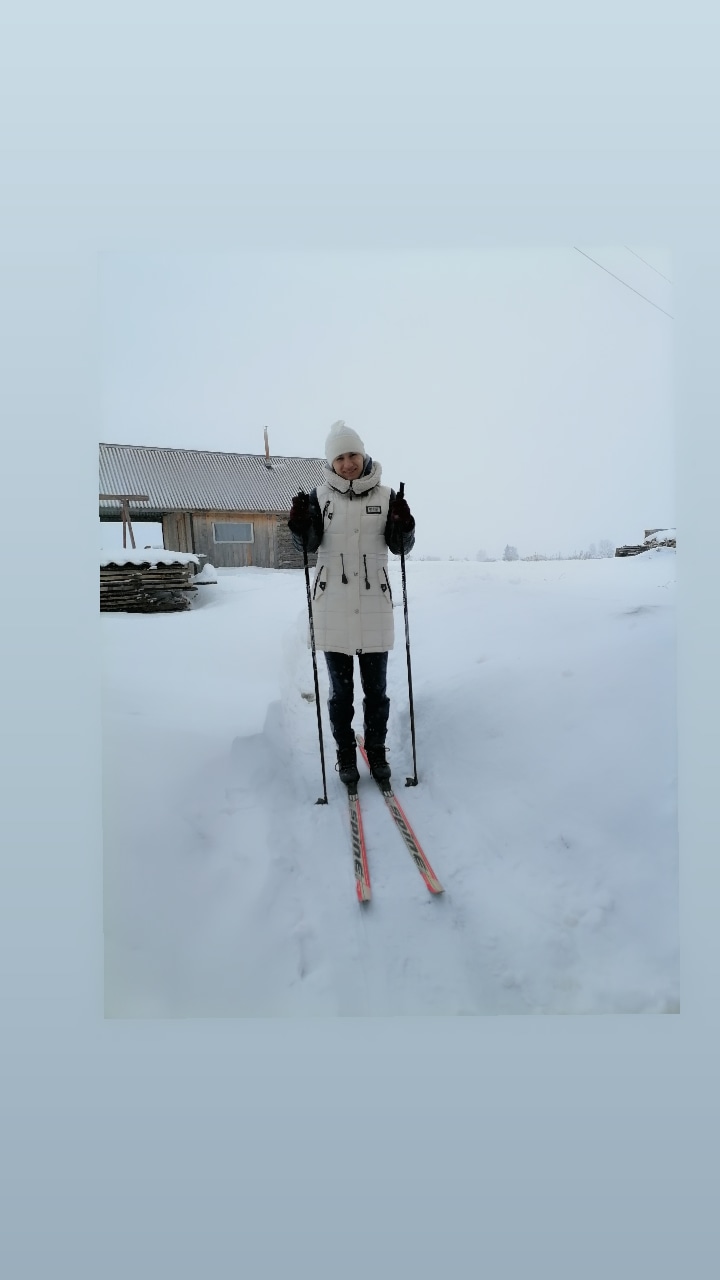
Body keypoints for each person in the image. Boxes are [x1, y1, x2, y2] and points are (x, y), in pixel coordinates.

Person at [287, 419, 415, 788]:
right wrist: (299, 526)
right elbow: (307, 546)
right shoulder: (318, 498)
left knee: (376, 692)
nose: (347, 464)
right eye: (339, 458)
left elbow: (400, 547)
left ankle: (376, 751)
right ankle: (345, 753)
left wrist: (404, 525)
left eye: (352, 455)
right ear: (331, 462)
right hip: (333, 607)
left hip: (374, 605)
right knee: (341, 692)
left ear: (363, 455)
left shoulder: (386, 496)